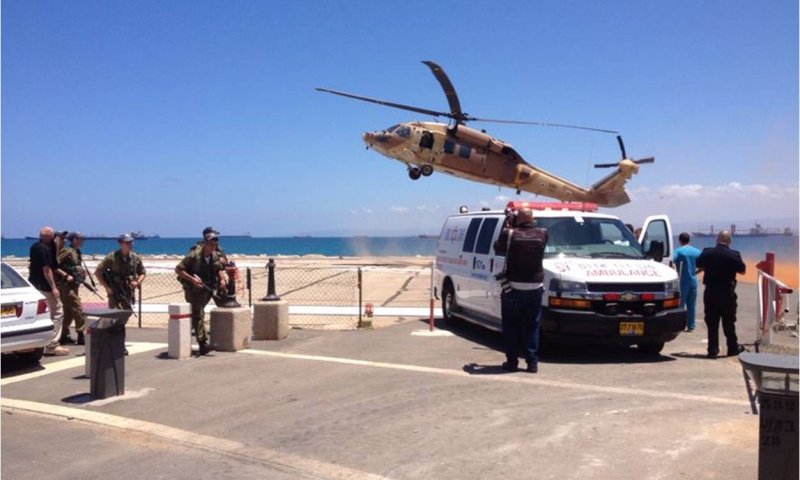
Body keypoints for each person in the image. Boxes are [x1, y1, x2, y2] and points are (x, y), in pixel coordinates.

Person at [493, 208, 549, 373]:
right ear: (533, 219)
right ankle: (532, 363)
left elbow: (498, 247)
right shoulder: (543, 234)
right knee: (532, 326)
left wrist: (508, 227)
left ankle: (512, 361)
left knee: (511, 325)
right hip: (535, 286)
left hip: (513, 287)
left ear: (517, 219)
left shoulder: (509, 234)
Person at [696, 230, 746, 359]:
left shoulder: (707, 252)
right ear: (730, 241)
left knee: (712, 322)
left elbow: (698, 263)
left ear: (717, 239)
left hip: (711, 292)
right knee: (729, 321)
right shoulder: (734, 255)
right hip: (727, 292)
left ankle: (712, 349)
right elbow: (742, 270)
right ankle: (732, 347)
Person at [175, 232, 227, 356]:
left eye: (215, 244)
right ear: (205, 244)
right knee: (198, 314)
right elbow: (178, 269)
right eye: (210, 244)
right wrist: (192, 280)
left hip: (207, 287)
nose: (213, 246)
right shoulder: (194, 255)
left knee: (198, 314)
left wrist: (222, 278)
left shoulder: (214, 255)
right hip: (193, 289)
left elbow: (217, 267)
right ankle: (203, 343)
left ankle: (191, 335)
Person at [28, 227, 68, 356]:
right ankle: (52, 344)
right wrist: (54, 287)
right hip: (44, 286)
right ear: (46, 236)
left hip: (36, 284)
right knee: (57, 312)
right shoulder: (43, 249)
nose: (56, 239)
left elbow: (54, 266)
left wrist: (65, 275)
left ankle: (41, 343)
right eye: (55, 237)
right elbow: (47, 269)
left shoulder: (44, 247)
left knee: (46, 313)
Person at [95, 233, 146, 309]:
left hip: (128, 289)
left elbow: (142, 272)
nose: (131, 244)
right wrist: (107, 287)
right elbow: (97, 272)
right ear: (121, 243)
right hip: (114, 289)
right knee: (114, 312)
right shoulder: (112, 257)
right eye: (128, 242)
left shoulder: (136, 258)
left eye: (131, 242)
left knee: (127, 312)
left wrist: (137, 282)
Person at [57, 232, 88, 345]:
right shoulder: (67, 251)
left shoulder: (77, 252)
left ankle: (64, 334)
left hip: (74, 284)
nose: (83, 241)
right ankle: (81, 334)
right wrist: (65, 275)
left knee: (68, 310)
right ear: (74, 239)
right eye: (81, 239)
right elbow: (55, 265)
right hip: (65, 285)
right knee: (78, 307)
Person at [672, 232, 701, 332]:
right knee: (691, 305)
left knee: (680, 305)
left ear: (680, 240)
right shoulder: (697, 251)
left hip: (682, 280)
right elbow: (703, 265)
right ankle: (691, 326)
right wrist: (696, 272)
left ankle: (679, 325)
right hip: (693, 280)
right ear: (689, 240)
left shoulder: (678, 251)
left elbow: (671, 261)